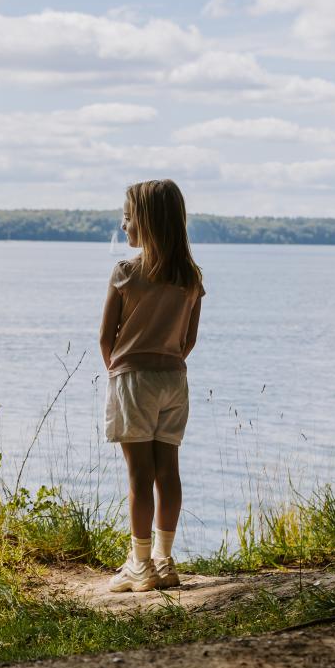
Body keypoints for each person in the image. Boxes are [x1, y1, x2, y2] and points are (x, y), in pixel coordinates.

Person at [99, 179, 204, 592]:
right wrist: (169, 360)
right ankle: (164, 560)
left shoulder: (126, 272)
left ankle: (140, 565)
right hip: (174, 379)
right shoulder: (190, 276)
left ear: (146, 222)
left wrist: (118, 372)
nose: (123, 225)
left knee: (139, 476)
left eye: (127, 217)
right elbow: (189, 340)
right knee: (168, 472)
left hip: (134, 379)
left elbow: (106, 337)